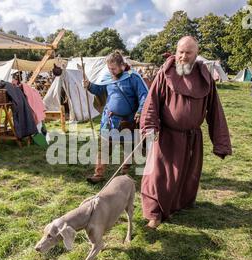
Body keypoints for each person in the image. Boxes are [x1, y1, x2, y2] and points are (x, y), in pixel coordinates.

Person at [140, 36, 232, 229]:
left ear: (196, 54)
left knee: (186, 174)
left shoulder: (204, 78)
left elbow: (216, 111)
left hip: (192, 138)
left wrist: (221, 142)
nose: (182, 56)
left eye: (188, 52)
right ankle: (154, 213)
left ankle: (177, 205)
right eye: (180, 51)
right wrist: (149, 126)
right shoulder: (165, 74)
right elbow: (151, 103)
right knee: (157, 175)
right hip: (166, 136)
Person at [83, 50, 149, 184]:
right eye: (109, 68)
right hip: (109, 119)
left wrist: (140, 111)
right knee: (104, 146)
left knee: (128, 147)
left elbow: (144, 95)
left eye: (113, 68)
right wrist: (89, 85)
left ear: (122, 66)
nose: (111, 71)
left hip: (128, 120)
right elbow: (99, 90)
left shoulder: (133, 77)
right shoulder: (108, 78)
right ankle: (99, 174)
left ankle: (124, 172)